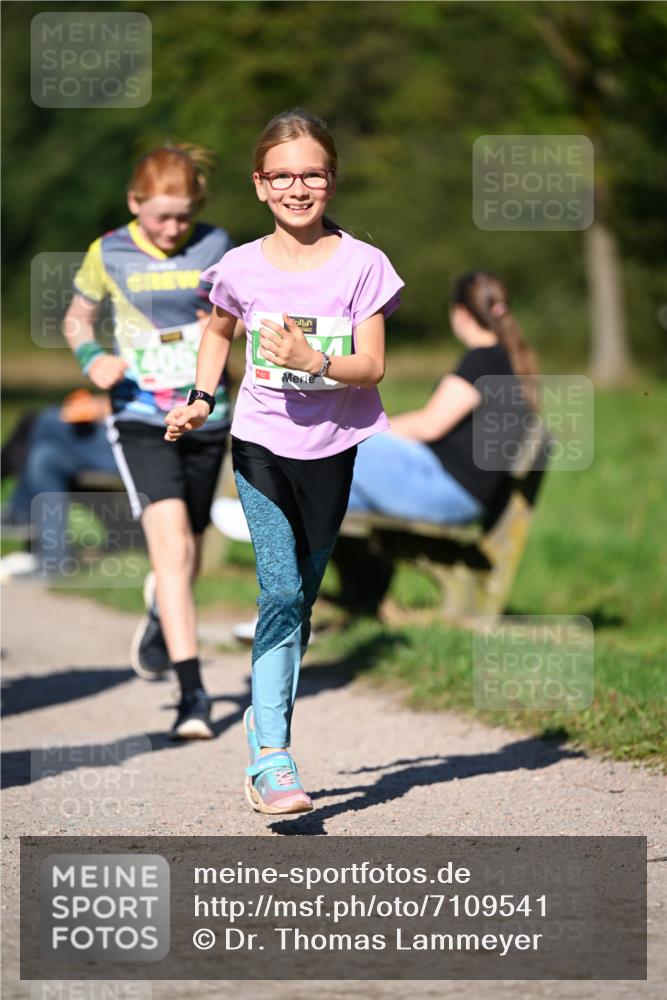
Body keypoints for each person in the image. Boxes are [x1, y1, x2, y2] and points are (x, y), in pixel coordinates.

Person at [164, 109, 404, 814]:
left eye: (312, 174)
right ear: (260, 185)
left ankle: (263, 727)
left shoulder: (364, 265)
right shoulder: (237, 266)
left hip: (331, 452)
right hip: (261, 443)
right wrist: (202, 396)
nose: (298, 187)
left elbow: (373, 366)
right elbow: (217, 330)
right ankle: (272, 756)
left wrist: (313, 360)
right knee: (280, 593)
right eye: (283, 176)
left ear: (331, 180)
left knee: (296, 601)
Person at [63, 144, 236, 739]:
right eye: (161, 215)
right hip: (140, 416)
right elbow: (77, 320)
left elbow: (242, 315)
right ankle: (192, 695)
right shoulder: (107, 250)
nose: (173, 228)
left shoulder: (219, 246)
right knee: (170, 546)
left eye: (184, 215)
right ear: (135, 203)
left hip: (208, 417)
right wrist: (93, 359)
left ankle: (162, 607)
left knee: (188, 546)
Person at [332, 269, 539, 615]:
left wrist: (365, 430)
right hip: (459, 492)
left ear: (460, 312)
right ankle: (358, 584)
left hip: (450, 495)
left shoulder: (483, 360)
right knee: (332, 484)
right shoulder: (504, 360)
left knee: (341, 446)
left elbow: (429, 425)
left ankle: (276, 508)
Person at [0, 391, 117, 579]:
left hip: (140, 443)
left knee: (45, 420)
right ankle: (54, 560)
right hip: (117, 433)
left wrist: (104, 407)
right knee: (44, 457)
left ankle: (20, 513)